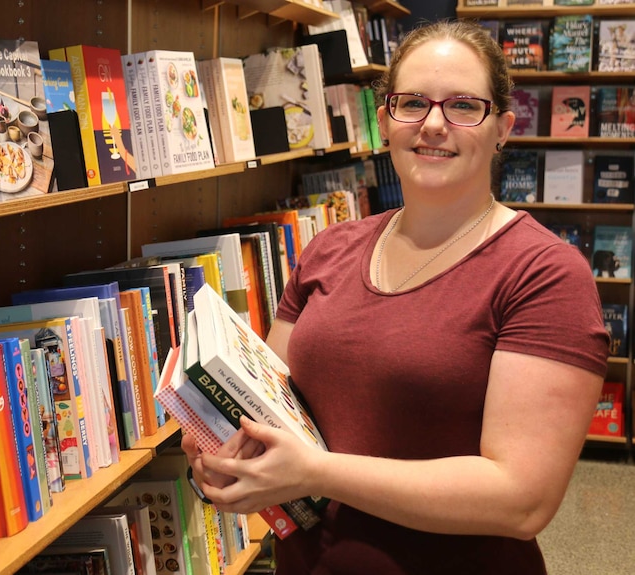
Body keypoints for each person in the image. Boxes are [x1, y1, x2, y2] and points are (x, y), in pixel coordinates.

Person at [182, 19, 609, 575]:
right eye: (412, 103)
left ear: (503, 127)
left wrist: (318, 472)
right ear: (385, 121)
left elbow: (520, 498)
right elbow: (267, 407)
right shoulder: (330, 247)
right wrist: (218, 456)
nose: (433, 124)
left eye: (462, 106)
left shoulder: (544, 274)